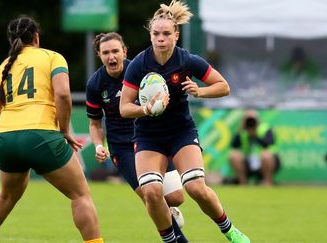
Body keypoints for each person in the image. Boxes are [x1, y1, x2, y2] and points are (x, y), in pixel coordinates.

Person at [119, 1, 250, 243]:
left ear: (176, 36)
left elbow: (223, 86)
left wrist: (200, 92)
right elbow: (124, 108)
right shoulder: (139, 64)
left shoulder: (187, 60)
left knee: (196, 188)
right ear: (150, 35)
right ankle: (172, 241)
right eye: (156, 34)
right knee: (151, 192)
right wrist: (146, 109)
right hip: (149, 136)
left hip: (181, 132)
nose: (161, 38)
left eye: (166, 34)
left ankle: (230, 231)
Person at [0, 15, 103, 243]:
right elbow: (62, 94)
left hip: (7, 139)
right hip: (43, 135)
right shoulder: (53, 57)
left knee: (6, 196)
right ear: (36, 37)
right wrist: (63, 131)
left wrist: (4, 140)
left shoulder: (2, 69)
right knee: (80, 195)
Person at [86, 32, 189, 243]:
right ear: (99, 55)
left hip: (150, 139)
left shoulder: (140, 71)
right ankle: (178, 240)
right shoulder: (95, 84)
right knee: (149, 194)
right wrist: (98, 145)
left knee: (176, 197)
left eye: (115, 51)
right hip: (122, 147)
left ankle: (167, 212)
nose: (111, 57)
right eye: (106, 53)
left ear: (124, 51)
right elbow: (95, 123)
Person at [228, 109, 280, 186]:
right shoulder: (243, 131)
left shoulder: (265, 128)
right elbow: (233, 145)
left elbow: (269, 143)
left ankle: (267, 182)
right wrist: (241, 128)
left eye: (252, 119)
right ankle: (242, 181)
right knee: (234, 155)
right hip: (248, 162)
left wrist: (255, 135)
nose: (250, 122)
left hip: (265, 163)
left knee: (266, 155)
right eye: (248, 120)